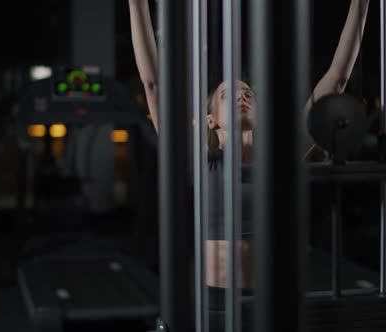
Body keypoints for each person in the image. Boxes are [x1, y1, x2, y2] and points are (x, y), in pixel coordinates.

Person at [128, 0, 369, 306]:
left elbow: (336, 80)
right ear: (210, 121)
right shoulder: (202, 161)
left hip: (272, 303)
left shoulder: (280, 159)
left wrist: (361, 5)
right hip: (213, 303)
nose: (242, 97)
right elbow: (152, 84)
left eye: (248, 94)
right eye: (228, 95)